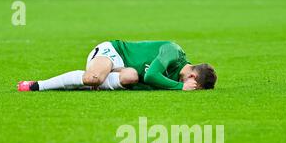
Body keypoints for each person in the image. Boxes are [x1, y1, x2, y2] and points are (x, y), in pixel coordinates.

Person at [18, 40, 217, 92]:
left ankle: (95, 80)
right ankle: (38, 85)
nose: (190, 89)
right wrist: (179, 87)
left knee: (131, 76)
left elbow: (141, 79)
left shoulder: (176, 77)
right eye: (194, 87)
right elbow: (151, 76)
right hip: (113, 52)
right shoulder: (173, 51)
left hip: (124, 70)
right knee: (93, 78)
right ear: (192, 78)